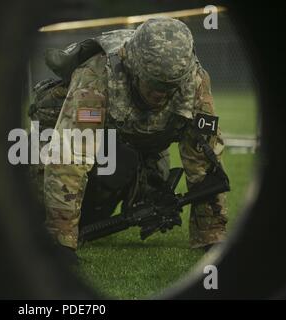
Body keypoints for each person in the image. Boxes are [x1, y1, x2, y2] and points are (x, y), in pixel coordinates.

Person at [31, 17, 227, 260]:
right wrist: (61, 243)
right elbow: (70, 157)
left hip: (133, 144)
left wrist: (212, 237)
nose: (159, 95)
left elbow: (204, 163)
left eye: (168, 88)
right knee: (37, 197)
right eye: (153, 84)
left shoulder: (195, 82)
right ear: (132, 67)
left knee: (153, 185)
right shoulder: (97, 74)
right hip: (62, 139)